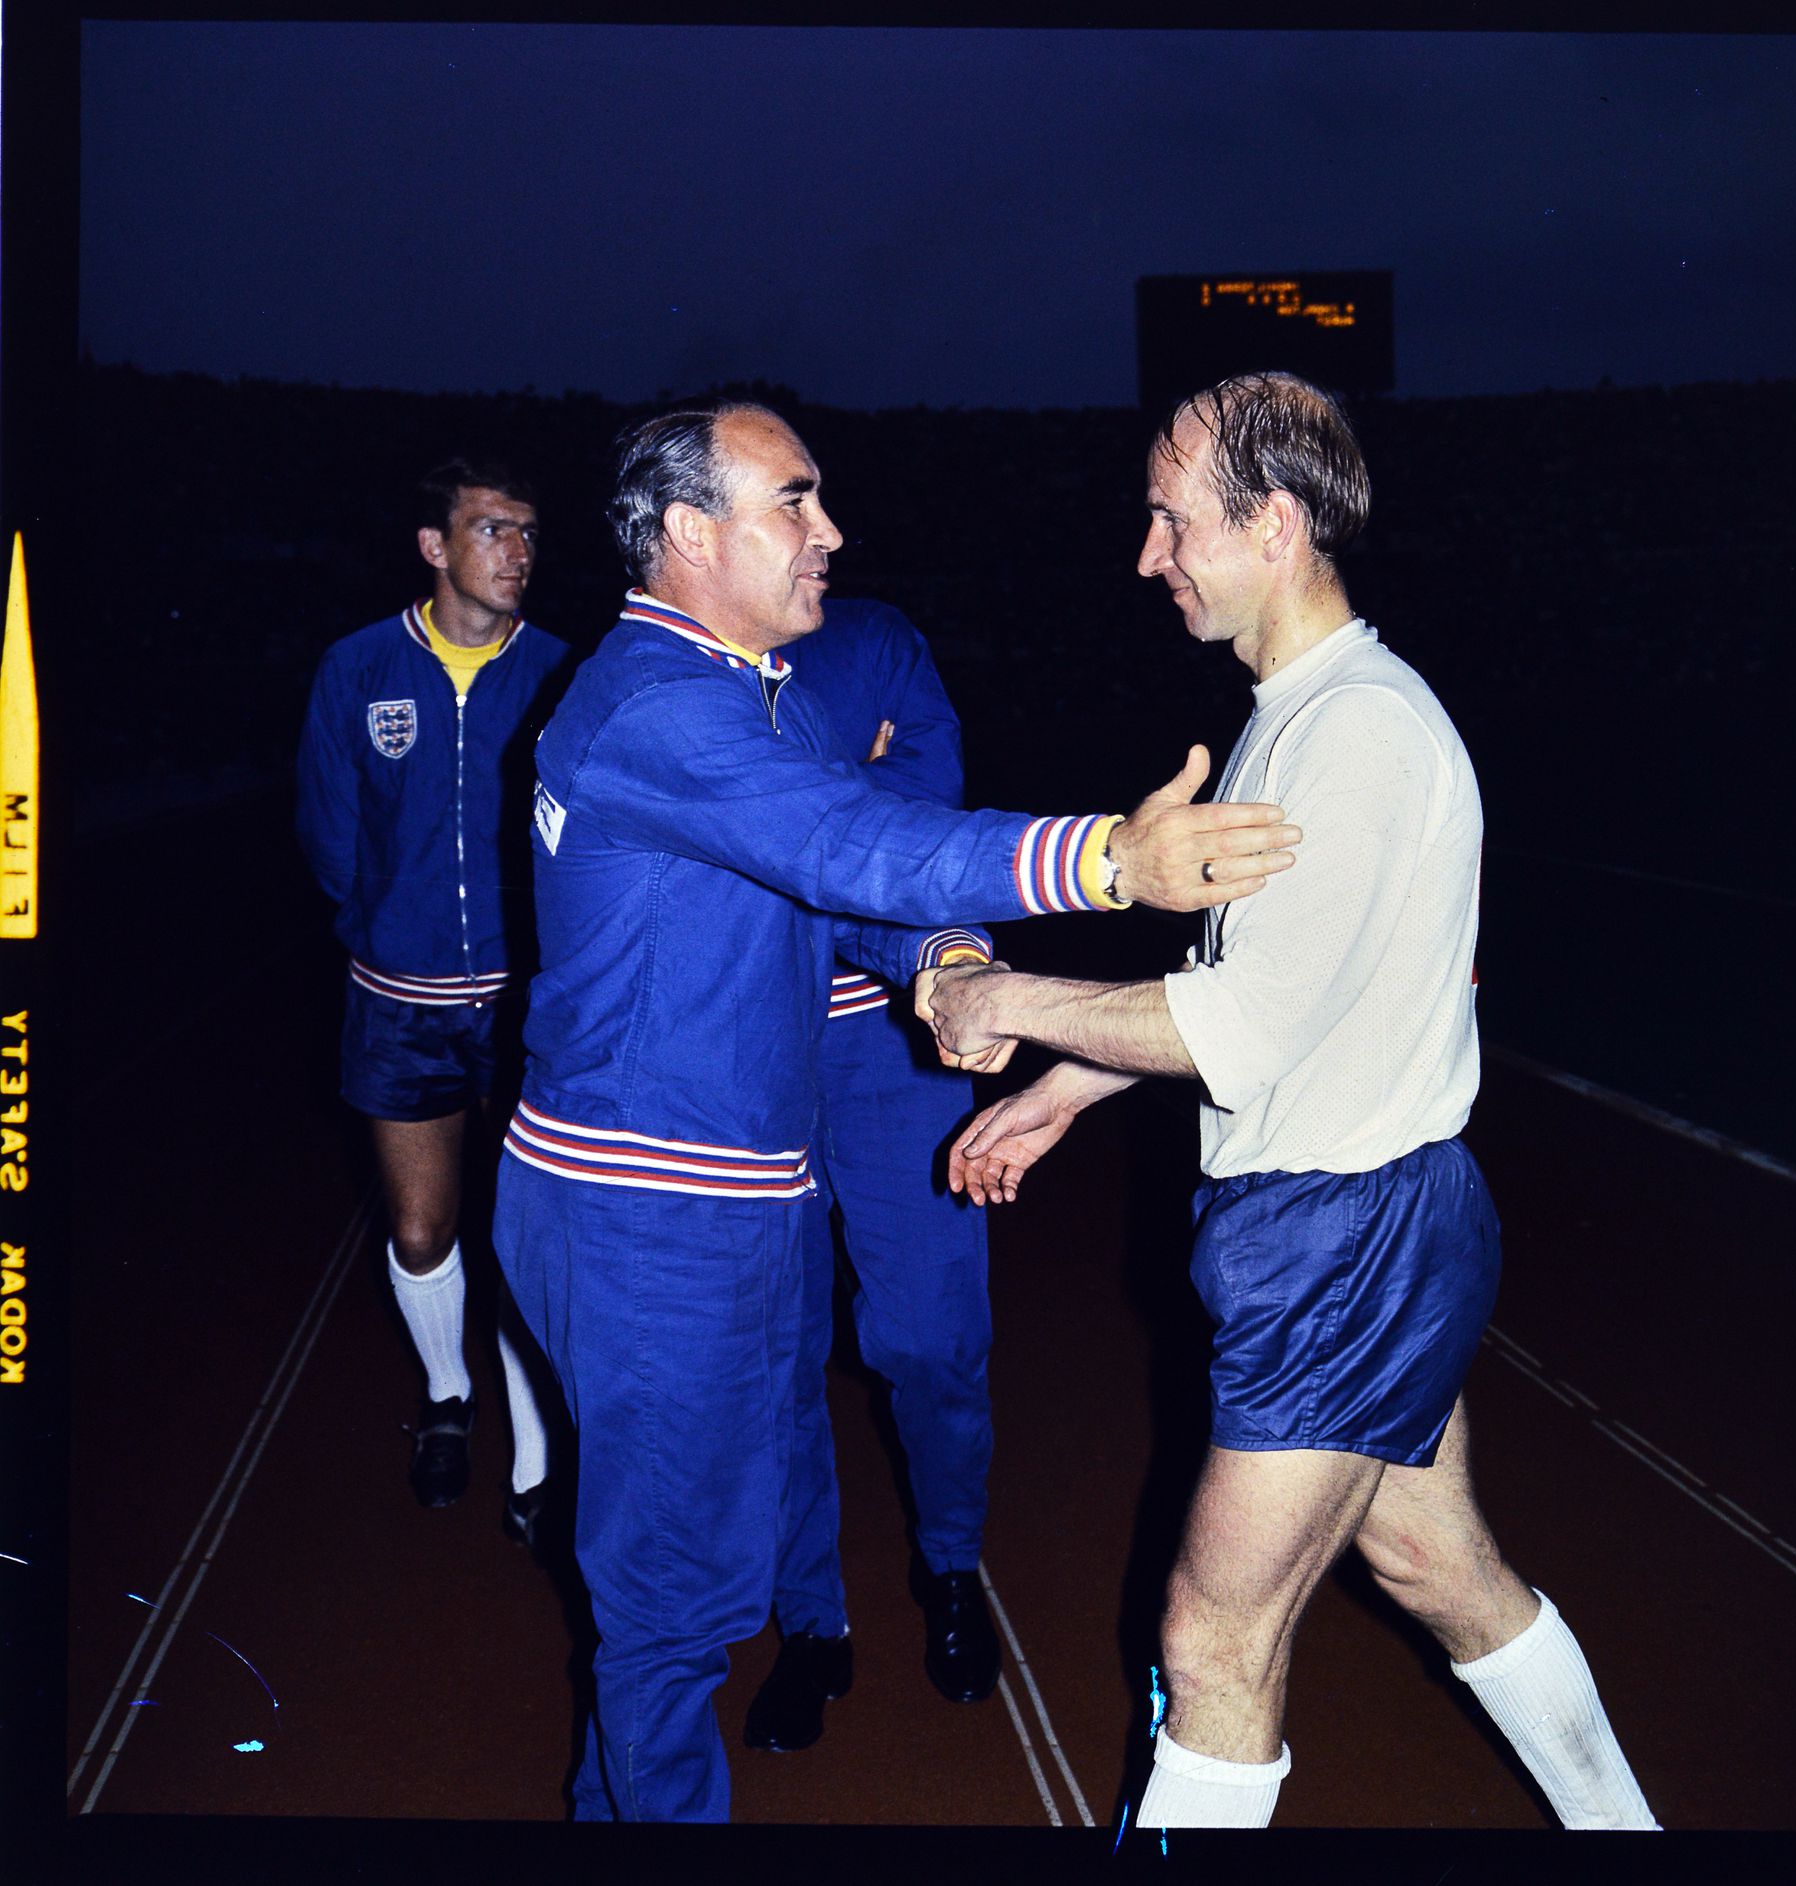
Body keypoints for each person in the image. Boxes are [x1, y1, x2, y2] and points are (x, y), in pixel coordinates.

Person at [490, 399, 1301, 1823]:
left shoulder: (745, 695)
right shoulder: (660, 703)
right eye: (793, 502)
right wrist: (1110, 861)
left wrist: (947, 969)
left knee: (692, 1588)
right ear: (689, 534)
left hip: (717, 1195)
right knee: (673, 1615)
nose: (832, 530)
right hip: (648, 1213)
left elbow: (844, 886)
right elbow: (850, 839)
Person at [926, 372, 1660, 1833]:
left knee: (1213, 1639)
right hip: (1358, 1221)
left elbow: (1242, 1026)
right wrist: (1074, 1082)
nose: (1148, 554)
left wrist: (1005, 998)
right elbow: (1277, 983)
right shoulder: (1301, 714)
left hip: (1345, 1238)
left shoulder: (1357, 734)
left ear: (1273, 523)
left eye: (1171, 520)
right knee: (1440, 1567)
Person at [741, 597, 1001, 1759]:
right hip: (753, 1050)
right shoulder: (685, 660)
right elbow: (824, 834)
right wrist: (850, 786)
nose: (819, 531)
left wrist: (796, 811)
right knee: (774, 1349)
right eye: (792, 511)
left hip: (896, 1041)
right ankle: (811, 1616)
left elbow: (921, 824)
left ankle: (951, 1565)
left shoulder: (880, 642)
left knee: (933, 1337)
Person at [295, 458, 572, 1544]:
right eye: (493, 529)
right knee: (421, 1230)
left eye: (528, 532)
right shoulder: (359, 667)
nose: (518, 552)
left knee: (522, 1236)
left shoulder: (560, 671)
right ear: (434, 546)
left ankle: (536, 1448)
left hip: (521, 1007)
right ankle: (448, 1394)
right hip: (398, 1004)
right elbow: (330, 832)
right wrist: (387, 926)